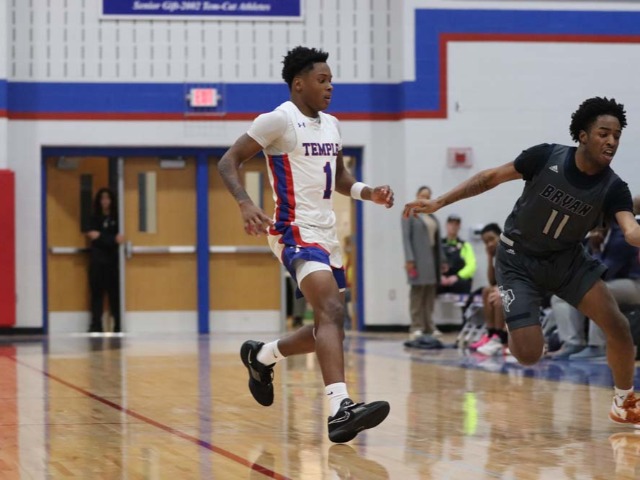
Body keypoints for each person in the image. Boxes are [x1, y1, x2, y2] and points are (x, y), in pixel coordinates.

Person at [403, 97, 640, 426]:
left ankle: (624, 401)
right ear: (583, 135)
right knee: (528, 354)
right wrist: (439, 202)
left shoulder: (614, 187)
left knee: (618, 325)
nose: (611, 141)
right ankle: (514, 319)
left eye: (616, 135)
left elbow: (630, 230)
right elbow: (489, 178)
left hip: (567, 261)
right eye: (604, 133)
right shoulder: (545, 156)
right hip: (518, 259)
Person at [217, 46, 393, 443]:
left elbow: (340, 177)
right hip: (293, 229)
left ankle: (262, 356)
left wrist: (369, 192)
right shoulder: (278, 120)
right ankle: (339, 409)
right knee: (331, 310)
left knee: (328, 326)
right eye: (322, 80)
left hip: (326, 233)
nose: (330, 87)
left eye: (331, 80)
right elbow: (228, 161)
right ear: (299, 84)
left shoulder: (332, 124)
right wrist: (245, 203)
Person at [549, 213, 640, 360]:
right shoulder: (593, 237)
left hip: (633, 284)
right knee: (561, 297)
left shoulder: (621, 235)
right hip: (610, 283)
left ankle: (598, 346)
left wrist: (596, 249)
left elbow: (604, 272)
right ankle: (573, 343)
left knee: (595, 290)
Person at [401, 186, 446, 338]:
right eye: (422, 196)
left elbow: (437, 240)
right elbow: (406, 238)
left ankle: (429, 326)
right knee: (417, 293)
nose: (424, 199)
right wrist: (409, 259)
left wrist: (442, 259)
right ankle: (416, 326)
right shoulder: (409, 213)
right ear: (416, 196)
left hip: (432, 258)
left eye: (427, 196)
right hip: (417, 259)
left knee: (430, 293)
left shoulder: (432, 216)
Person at [86, 188, 123, 333]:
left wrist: (101, 237)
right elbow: (92, 234)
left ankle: (118, 324)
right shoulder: (94, 218)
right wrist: (112, 239)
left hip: (113, 262)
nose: (105, 201)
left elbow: (120, 238)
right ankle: (96, 325)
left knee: (115, 295)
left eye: (108, 198)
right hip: (97, 261)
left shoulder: (118, 218)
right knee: (96, 294)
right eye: (102, 198)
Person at [470, 223, 510, 355]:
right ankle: (491, 333)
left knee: (498, 293)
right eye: (486, 242)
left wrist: (500, 289)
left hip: (522, 289)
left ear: (501, 236)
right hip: (509, 288)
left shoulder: (510, 250)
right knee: (487, 290)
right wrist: (489, 258)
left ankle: (499, 338)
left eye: (492, 239)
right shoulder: (497, 254)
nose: (489, 244)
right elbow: (492, 281)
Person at [438, 214, 476, 295]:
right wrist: (439, 276)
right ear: (446, 225)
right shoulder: (438, 245)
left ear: (459, 226)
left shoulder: (465, 246)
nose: (453, 226)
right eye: (451, 223)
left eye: (456, 224)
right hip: (441, 280)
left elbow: (471, 266)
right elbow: (431, 263)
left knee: (463, 284)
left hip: (458, 282)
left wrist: (457, 277)